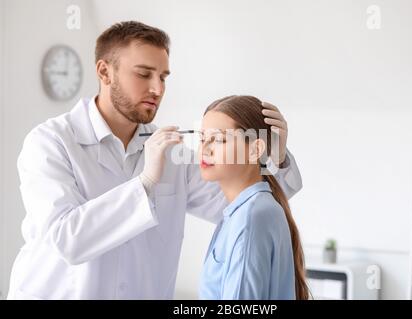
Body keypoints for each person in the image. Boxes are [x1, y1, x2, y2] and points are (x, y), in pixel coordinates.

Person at [7, 21, 302, 300]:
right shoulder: (50, 143)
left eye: (163, 77)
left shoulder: (170, 151)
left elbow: (244, 204)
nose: (157, 89)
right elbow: (67, 240)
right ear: (104, 71)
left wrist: (272, 158)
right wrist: (145, 184)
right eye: (144, 74)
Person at [197, 96, 309, 300]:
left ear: (256, 150)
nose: (204, 149)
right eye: (202, 138)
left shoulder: (251, 216)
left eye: (220, 139)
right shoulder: (245, 211)